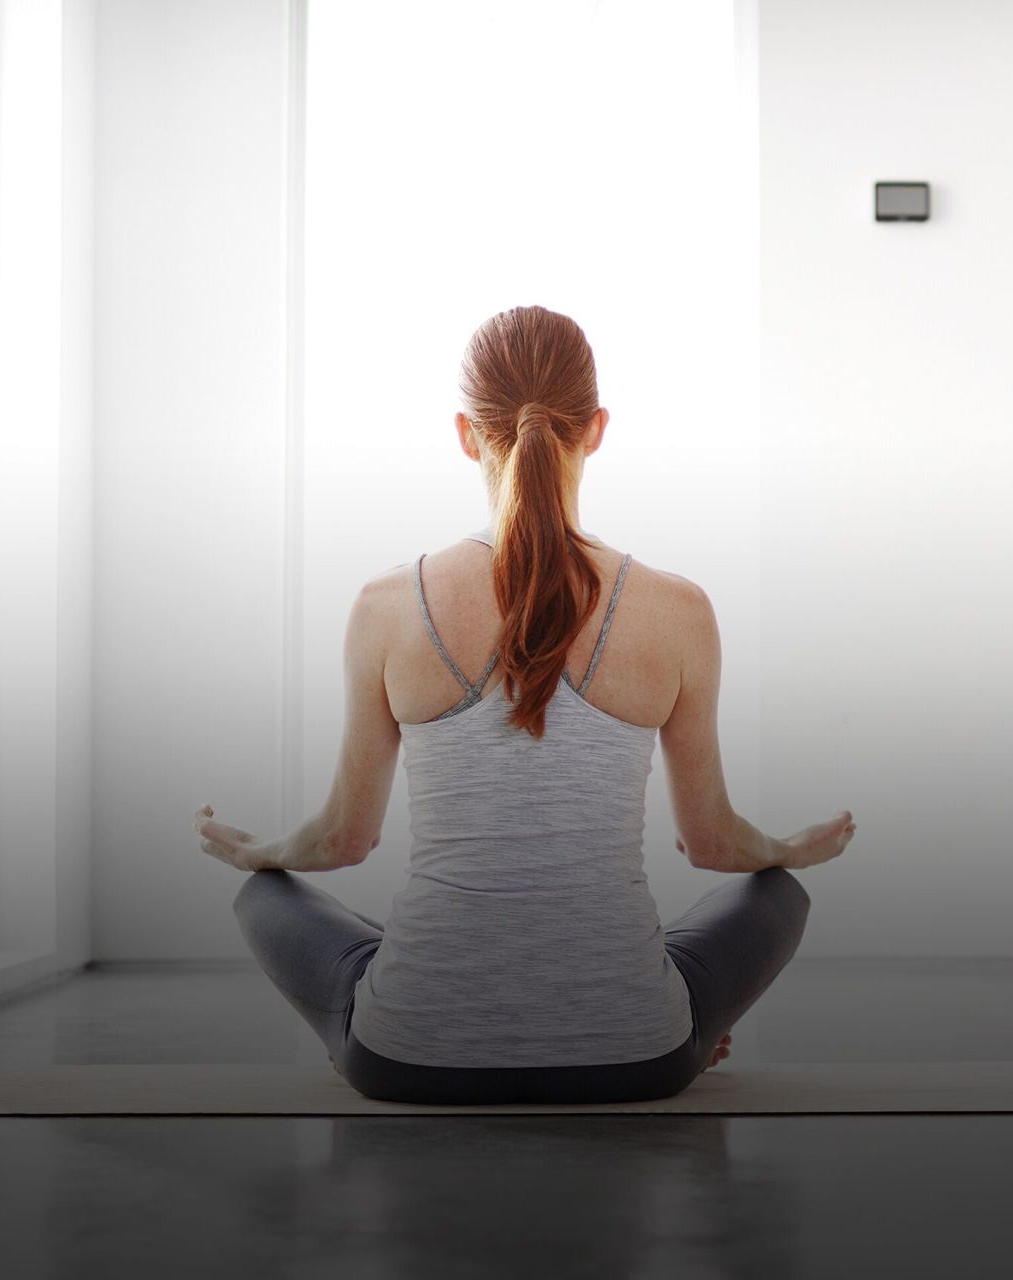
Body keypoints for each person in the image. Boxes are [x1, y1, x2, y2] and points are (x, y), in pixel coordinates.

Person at [226, 304, 856, 1105]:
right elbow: (711, 845)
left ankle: (391, 1009)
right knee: (776, 894)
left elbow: (343, 840)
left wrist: (256, 852)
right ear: (594, 429)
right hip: (639, 1059)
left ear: (465, 433)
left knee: (265, 895)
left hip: (407, 1061)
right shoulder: (677, 609)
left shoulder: (386, 604)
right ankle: (678, 1028)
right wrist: (788, 848)